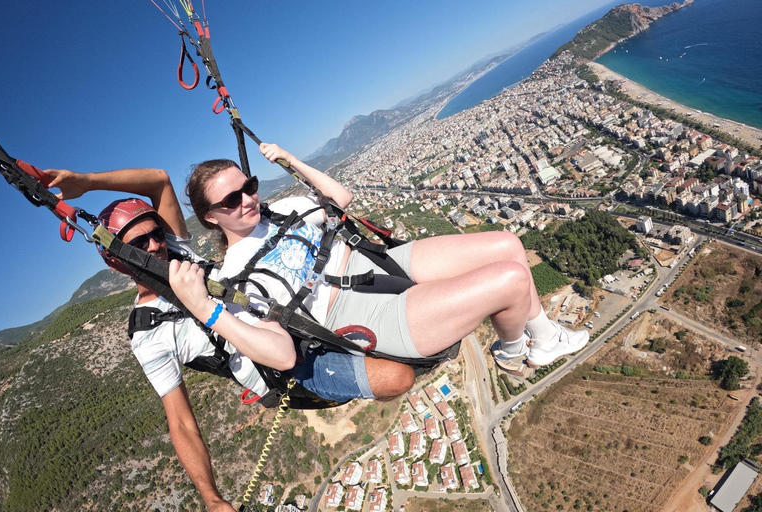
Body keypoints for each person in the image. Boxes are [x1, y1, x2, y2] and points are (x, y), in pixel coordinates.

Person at [44, 165, 415, 512]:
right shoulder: (150, 333)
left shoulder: (180, 255)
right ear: (116, 259)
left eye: (157, 234)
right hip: (286, 368)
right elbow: (182, 423)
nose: (155, 246)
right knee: (398, 376)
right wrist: (212, 499)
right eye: (139, 244)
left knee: (408, 298)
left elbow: (158, 180)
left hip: (298, 313)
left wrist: (85, 182)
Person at [181, 143, 589, 376]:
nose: (248, 200)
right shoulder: (234, 276)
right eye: (232, 200)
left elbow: (340, 199)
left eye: (248, 187)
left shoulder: (281, 209)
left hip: (373, 263)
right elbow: (283, 355)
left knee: (508, 246)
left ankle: (546, 341)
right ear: (210, 217)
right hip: (353, 313)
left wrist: (289, 160)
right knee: (513, 279)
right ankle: (512, 352)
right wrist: (205, 309)